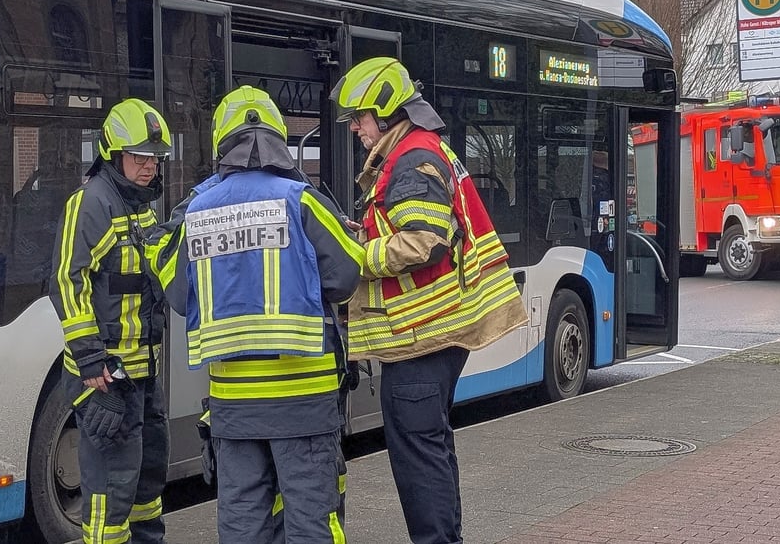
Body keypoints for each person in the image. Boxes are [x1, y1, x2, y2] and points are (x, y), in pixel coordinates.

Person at [331, 57, 527, 544]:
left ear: (384, 109)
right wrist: (373, 232)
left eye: (359, 117)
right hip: (436, 334)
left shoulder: (410, 158)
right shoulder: (421, 149)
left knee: (419, 458)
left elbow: (425, 239)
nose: (355, 127)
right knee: (432, 448)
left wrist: (360, 254)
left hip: (424, 338)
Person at [165, 86, 362, 543]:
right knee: (313, 519)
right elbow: (346, 275)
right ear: (277, 138)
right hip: (304, 402)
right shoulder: (302, 199)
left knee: (242, 520)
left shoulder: (196, 210)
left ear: (222, 143)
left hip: (234, 406)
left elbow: (179, 295)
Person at [49, 97, 172, 544]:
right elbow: (66, 281)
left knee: (147, 485)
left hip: (142, 375)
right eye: (139, 156)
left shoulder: (141, 206)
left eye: (155, 158)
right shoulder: (91, 203)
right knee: (110, 496)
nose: (149, 166)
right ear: (114, 154)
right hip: (105, 377)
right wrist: (89, 359)